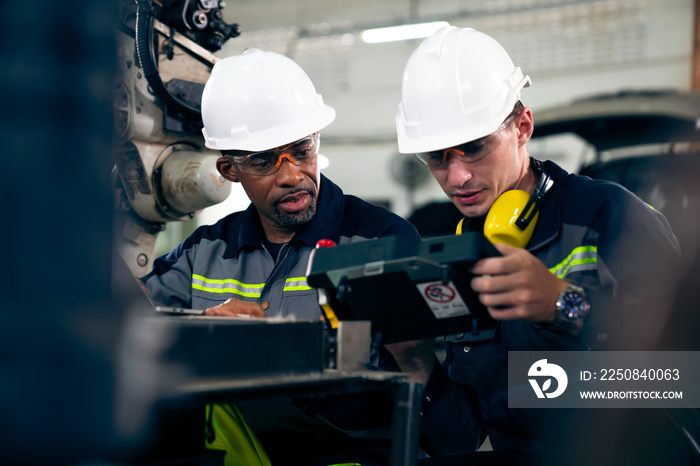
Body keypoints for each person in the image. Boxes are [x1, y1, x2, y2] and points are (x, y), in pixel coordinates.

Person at [389, 26, 682, 459]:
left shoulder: (607, 214)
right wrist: (417, 366)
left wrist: (566, 306)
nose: (457, 177)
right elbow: (462, 438)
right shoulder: (461, 252)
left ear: (522, 126)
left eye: (473, 148)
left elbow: (678, 377)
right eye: (437, 157)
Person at [141, 48, 419, 466]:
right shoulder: (204, 253)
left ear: (317, 140)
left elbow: (412, 385)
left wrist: (276, 350)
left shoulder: (380, 239)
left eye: (302, 150)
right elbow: (135, 326)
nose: (292, 175)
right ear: (228, 170)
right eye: (264, 161)